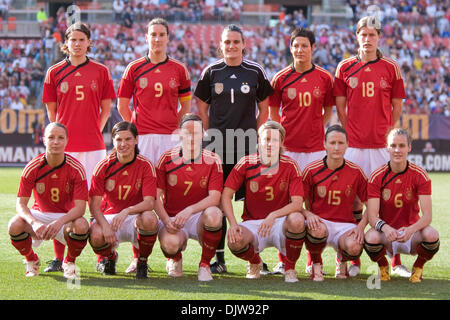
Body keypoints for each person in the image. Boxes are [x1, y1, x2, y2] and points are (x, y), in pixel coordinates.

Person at [194, 24, 273, 273]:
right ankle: (219, 260)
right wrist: (213, 134)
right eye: (227, 42)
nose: (231, 46)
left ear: (243, 44)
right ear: (221, 44)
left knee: (253, 201)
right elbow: (202, 109)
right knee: (217, 201)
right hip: (218, 147)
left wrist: (257, 136)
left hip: (248, 146)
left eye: (236, 42)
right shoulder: (211, 71)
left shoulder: (255, 71)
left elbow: (265, 108)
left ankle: (256, 257)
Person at [334, 16, 407, 276]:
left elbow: (397, 105)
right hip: (353, 145)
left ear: (379, 38)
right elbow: (340, 106)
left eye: (372, 35)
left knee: (386, 202)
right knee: (352, 201)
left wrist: (386, 130)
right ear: (357, 37)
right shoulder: (344, 67)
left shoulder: (391, 67)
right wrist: (350, 130)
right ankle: (352, 257)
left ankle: (394, 261)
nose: (367, 39)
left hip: (380, 146)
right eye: (363, 35)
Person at [117, 17, 191, 273]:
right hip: (145, 138)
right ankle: (139, 256)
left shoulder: (179, 69)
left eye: (162, 34)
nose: (157, 39)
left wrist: (178, 130)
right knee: (143, 195)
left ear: (168, 38)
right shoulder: (134, 68)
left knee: (171, 192)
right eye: (153, 34)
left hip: (171, 137)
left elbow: (187, 105)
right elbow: (122, 105)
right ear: (146, 38)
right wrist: (135, 132)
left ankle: (174, 256)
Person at [42, 22, 116, 273]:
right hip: (66, 148)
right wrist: (59, 140)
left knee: (98, 201)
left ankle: (102, 257)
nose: (77, 44)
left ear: (88, 42)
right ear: (66, 43)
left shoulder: (101, 71)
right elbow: (52, 113)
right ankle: (59, 258)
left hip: (94, 146)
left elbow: (106, 110)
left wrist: (94, 129)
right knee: (62, 201)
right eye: (72, 40)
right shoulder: (54, 72)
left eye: (81, 39)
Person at [269, 27, 334, 275]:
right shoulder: (281, 78)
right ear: (290, 47)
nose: (300, 50)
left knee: (314, 204)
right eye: (296, 45)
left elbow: (328, 111)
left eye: (304, 45)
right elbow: (274, 115)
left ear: (313, 48)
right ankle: (284, 258)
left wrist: (317, 126)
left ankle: (312, 258)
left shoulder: (325, 78)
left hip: (316, 149)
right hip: (289, 151)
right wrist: (282, 140)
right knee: (287, 204)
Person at [222, 121, 306, 283]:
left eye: (274, 140)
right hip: (253, 223)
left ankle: (289, 268)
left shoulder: (290, 165)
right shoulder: (246, 163)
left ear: (281, 143)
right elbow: (226, 195)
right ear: (258, 140)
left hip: (280, 223)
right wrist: (233, 223)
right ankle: (255, 262)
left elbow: (297, 203)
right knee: (234, 240)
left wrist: (273, 215)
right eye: (266, 139)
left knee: (297, 220)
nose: (269, 144)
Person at [8, 122, 89, 279]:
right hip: (40, 215)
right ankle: (32, 260)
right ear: (44, 140)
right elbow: (21, 204)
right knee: (14, 224)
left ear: (67, 141)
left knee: (82, 224)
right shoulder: (32, 167)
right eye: (51, 137)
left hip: (65, 219)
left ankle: (69, 263)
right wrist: (34, 223)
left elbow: (80, 208)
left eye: (60, 138)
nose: (56, 142)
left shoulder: (76, 168)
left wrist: (59, 222)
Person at [364, 129, 440, 283]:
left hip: (411, 235)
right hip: (387, 235)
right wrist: (386, 228)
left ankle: (418, 268)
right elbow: (372, 216)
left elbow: (427, 216)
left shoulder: (420, 174)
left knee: (432, 235)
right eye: (393, 145)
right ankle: (383, 267)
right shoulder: (376, 176)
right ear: (387, 148)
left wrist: (411, 229)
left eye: (401, 145)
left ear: (409, 147)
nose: (397, 150)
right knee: (370, 237)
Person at [154, 114, 224, 281]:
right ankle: (175, 258)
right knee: (170, 244)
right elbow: (155, 196)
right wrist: (165, 220)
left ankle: (205, 265)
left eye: (196, 132)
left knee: (215, 214)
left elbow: (215, 198)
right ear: (180, 133)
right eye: (187, 132)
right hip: (173, 218)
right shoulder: (166, 158)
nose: (191, 137)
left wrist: (189, 210)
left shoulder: (213, 159)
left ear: (203, 134)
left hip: (199, 218)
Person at [88, 121, 158, 279]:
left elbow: (149, 203)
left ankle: (142, 261)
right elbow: (94, 205)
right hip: (110, 218)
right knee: (96, 233)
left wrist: (127, 211)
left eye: (128, 139)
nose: (123, 144)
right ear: (113, 141)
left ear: (136, 140)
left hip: (134, 217)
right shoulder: (103, 166)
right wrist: (105, 226)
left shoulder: (146, 165)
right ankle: (109, 258)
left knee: (149, 218)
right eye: (119, 140)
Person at [301, 125, 368, 281]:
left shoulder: (356, 172)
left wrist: (361, 226)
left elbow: (372, 205)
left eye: (340, 143)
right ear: (324, 144)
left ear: (347, 145)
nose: (336, 147)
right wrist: (307, 214)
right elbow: (295, 202)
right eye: (332, 143)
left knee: (355, 245)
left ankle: (342, 261)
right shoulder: (311, 170)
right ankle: (316, 263)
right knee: (314, 230)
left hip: (345, 226)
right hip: (319, 223)